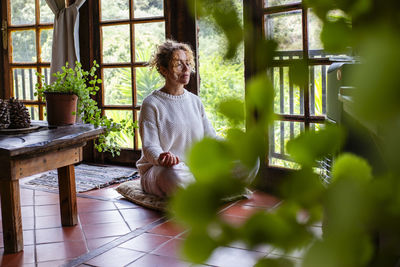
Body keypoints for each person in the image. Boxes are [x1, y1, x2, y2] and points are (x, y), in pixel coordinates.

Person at [137, 39, 258, 198]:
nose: (187, 69)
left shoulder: (195, 101)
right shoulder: (151, 104)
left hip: (196, 169)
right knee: (172, 175)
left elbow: (210, 137)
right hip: (162, 170)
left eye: (188, 63)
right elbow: (150, 146)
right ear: (163, 70)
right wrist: (161, 158)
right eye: (179, 64)